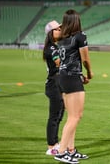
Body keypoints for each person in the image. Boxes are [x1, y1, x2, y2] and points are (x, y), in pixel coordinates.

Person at [54, 9, 93, 164]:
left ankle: (71, 150)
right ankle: (62, 152)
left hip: (64, 77)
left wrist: (79, 74)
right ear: (77, 20)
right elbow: (85, 59)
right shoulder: (80, 36)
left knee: (73, 116)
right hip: (72, 78)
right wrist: (89, 73)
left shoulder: (62, 38)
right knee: (75, 117)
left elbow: (68, 60)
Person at [43, 20, 64, 156]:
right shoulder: (51, 48)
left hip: (60, 83)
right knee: (54, 116)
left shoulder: (57, 46)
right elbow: (59, 62)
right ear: (51, 33)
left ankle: (56, 143)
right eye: (57, 29)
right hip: (54, 84)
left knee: (60, 115)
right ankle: (51, 146)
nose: (60, 30)